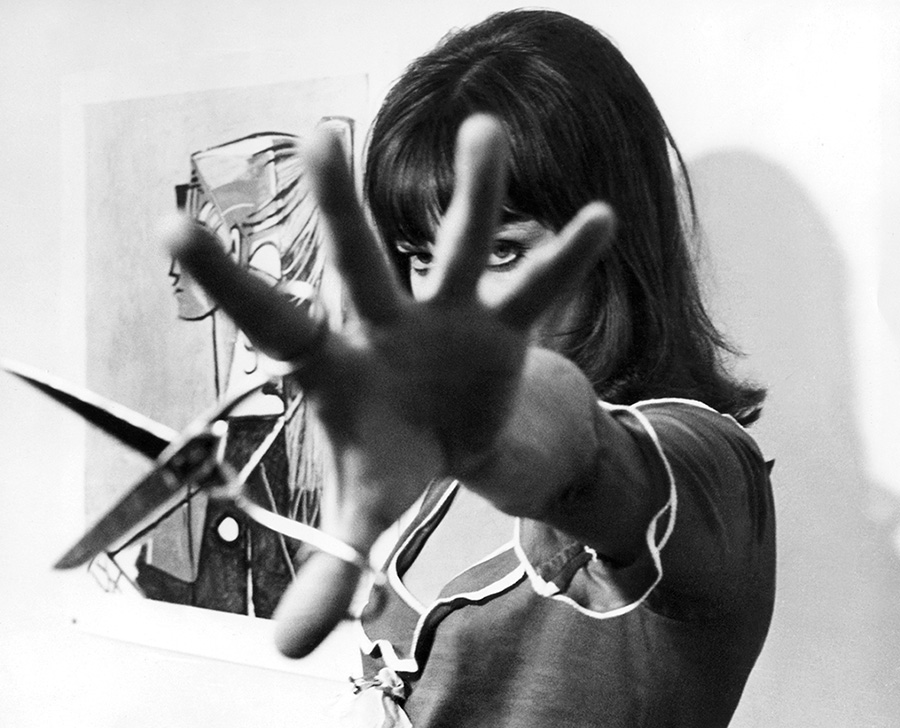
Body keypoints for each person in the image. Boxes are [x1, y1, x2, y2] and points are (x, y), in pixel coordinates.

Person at [167, 8, 775, 727]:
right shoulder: (432, 456)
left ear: (614, 239)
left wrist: (566, 455)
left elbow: (615, 472)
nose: (444, 302)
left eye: (502, 251)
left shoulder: (710, 470)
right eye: (419, 257)